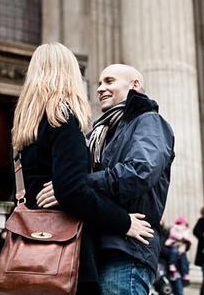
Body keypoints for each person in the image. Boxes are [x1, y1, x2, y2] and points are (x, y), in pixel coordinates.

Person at [11, 43, 154, 295]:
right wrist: (124, 222)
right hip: (64, 253)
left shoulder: (23, 132)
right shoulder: (63, 119)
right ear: (69, 74)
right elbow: (72, 190)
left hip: (30, 255)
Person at [37, 63, 175, 295]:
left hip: (127, 251)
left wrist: (76, 184)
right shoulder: (99, 132)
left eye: (109, 81)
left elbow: (140, 172)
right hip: (94, 248)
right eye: (99, 83)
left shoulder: (149, 121)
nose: (100, 88)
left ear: (135, 85)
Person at [165, 215, 191, 283]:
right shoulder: (174, 228)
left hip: (182, 247)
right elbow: (173, 235)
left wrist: (184, 242)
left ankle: (185, 273)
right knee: (174, 252)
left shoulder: (186, 229)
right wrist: (181, 237)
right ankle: (172, 264)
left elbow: (188, 238)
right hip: (174, 244)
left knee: (184, 260)